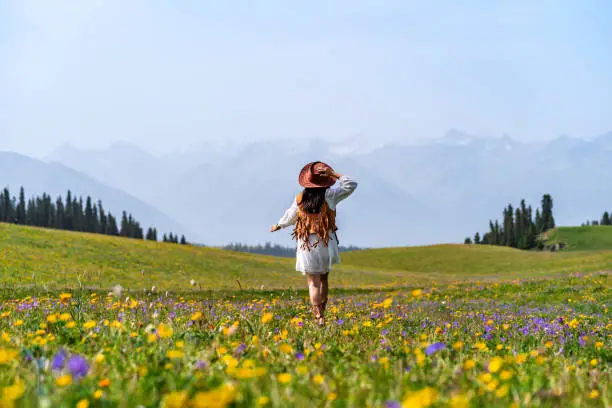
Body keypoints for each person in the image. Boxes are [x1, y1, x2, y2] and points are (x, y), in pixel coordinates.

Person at [270, 161, 358, 325]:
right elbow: (351, 184)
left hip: (306, 244)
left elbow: (290, 216)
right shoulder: (330, 196)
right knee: (324, 279)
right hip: (326, 242)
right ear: (325, 180)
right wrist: (333, 174)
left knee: (313, 282)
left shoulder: (300, 199)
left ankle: (319, 317)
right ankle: (322, 312)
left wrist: (279, 225)